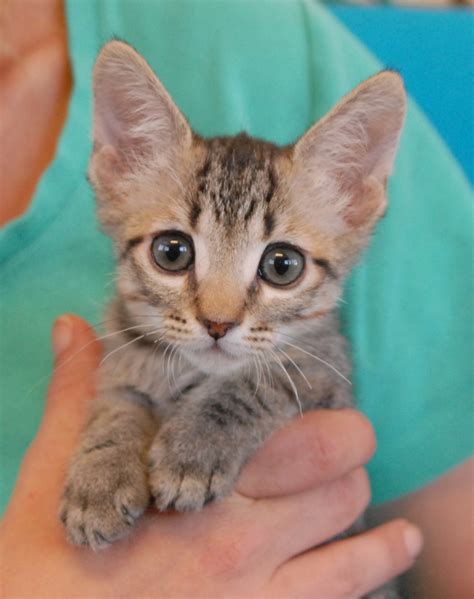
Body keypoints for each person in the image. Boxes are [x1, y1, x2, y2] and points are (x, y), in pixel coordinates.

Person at [0, 1, 472, 597]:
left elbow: (321, 395)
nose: (218, 316)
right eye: (174, 253)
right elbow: (122, 394)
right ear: (118, 173)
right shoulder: (128, 337)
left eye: (280, 267)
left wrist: (232, 415)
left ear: (354, 203)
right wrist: (116, 436)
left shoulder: (274, 35)